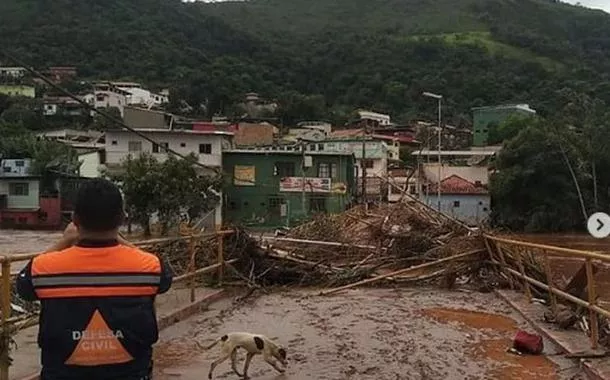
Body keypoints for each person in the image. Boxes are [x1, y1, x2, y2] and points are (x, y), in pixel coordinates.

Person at [17, 178, 173, 380]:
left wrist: (63, 241)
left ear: (75, 219)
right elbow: (165, 280)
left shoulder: (43, 269)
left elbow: (23, 287)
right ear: (121, 218)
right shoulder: (149, 267)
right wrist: (121, 241)